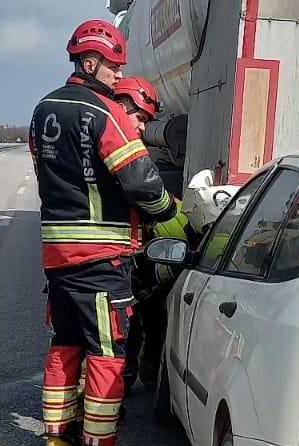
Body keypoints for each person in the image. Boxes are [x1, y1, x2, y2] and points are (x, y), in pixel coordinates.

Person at [29, 20, 184, 446]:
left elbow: (47, 175)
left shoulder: (42, 110)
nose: (118, 76)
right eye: (114, 67)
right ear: (91, 62)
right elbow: (139, 179)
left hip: (57, 256)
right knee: (107, 352)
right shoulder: (104, 113)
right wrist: (165, 210)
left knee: (64, 344)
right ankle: (97, 445)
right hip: (101, 256)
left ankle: (58, 435)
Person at [111, 77, 188, 389]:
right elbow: (151, 201)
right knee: (132, 320)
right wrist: (174, 211)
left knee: (139, 318)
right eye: (139, 118)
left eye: (145, 121)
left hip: (126, 258)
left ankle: (128, 374)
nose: (142, 128)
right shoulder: (121, 153)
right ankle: (125, 377)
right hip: (119, 260)